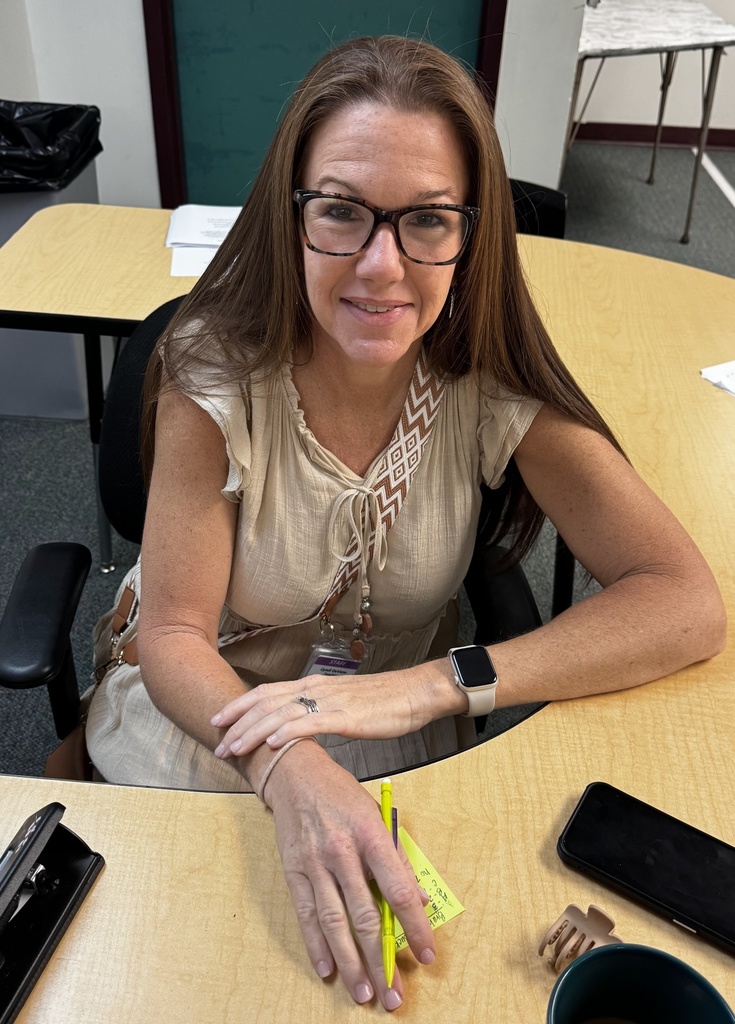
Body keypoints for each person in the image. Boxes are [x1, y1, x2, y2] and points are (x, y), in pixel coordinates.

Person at [86, 34, 726, 1012]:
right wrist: (286, 763)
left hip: (393, 723)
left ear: (471, 232)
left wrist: (436, 684)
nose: (381, 267)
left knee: (412, 980)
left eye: (426, 219)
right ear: (292, 215)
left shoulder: (484, 378)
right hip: (211, 713)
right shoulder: (214, 369)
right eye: (341, 211)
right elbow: (173, 633)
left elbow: (684, 603)